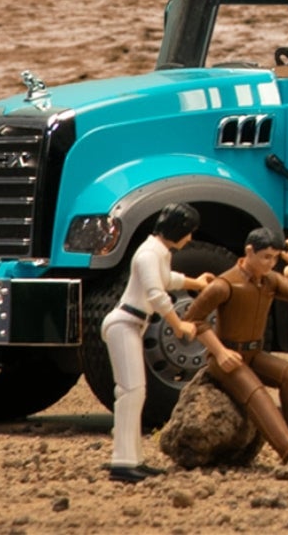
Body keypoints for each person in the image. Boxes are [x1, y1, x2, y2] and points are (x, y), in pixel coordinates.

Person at [185, 228, 288, 468]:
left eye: (274, 258)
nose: (270, 263)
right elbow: (194, 319)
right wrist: (219, 352)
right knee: (257, 394)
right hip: (228, 357)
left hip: (254, 353)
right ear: (249, 251)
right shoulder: (225, 284)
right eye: (266, 257)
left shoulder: (269, 280)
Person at [101, 204, 209, 483]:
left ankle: (132, 459)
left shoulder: (157, 252)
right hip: (125, 323)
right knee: (130, 392)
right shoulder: (149, 253)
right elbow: (157, 294)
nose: (190, 239)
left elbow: (167, 280)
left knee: (134, 393)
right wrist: (177, 323)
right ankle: (123, 462)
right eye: (189, 232)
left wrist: (196, 283)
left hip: (133, 325)